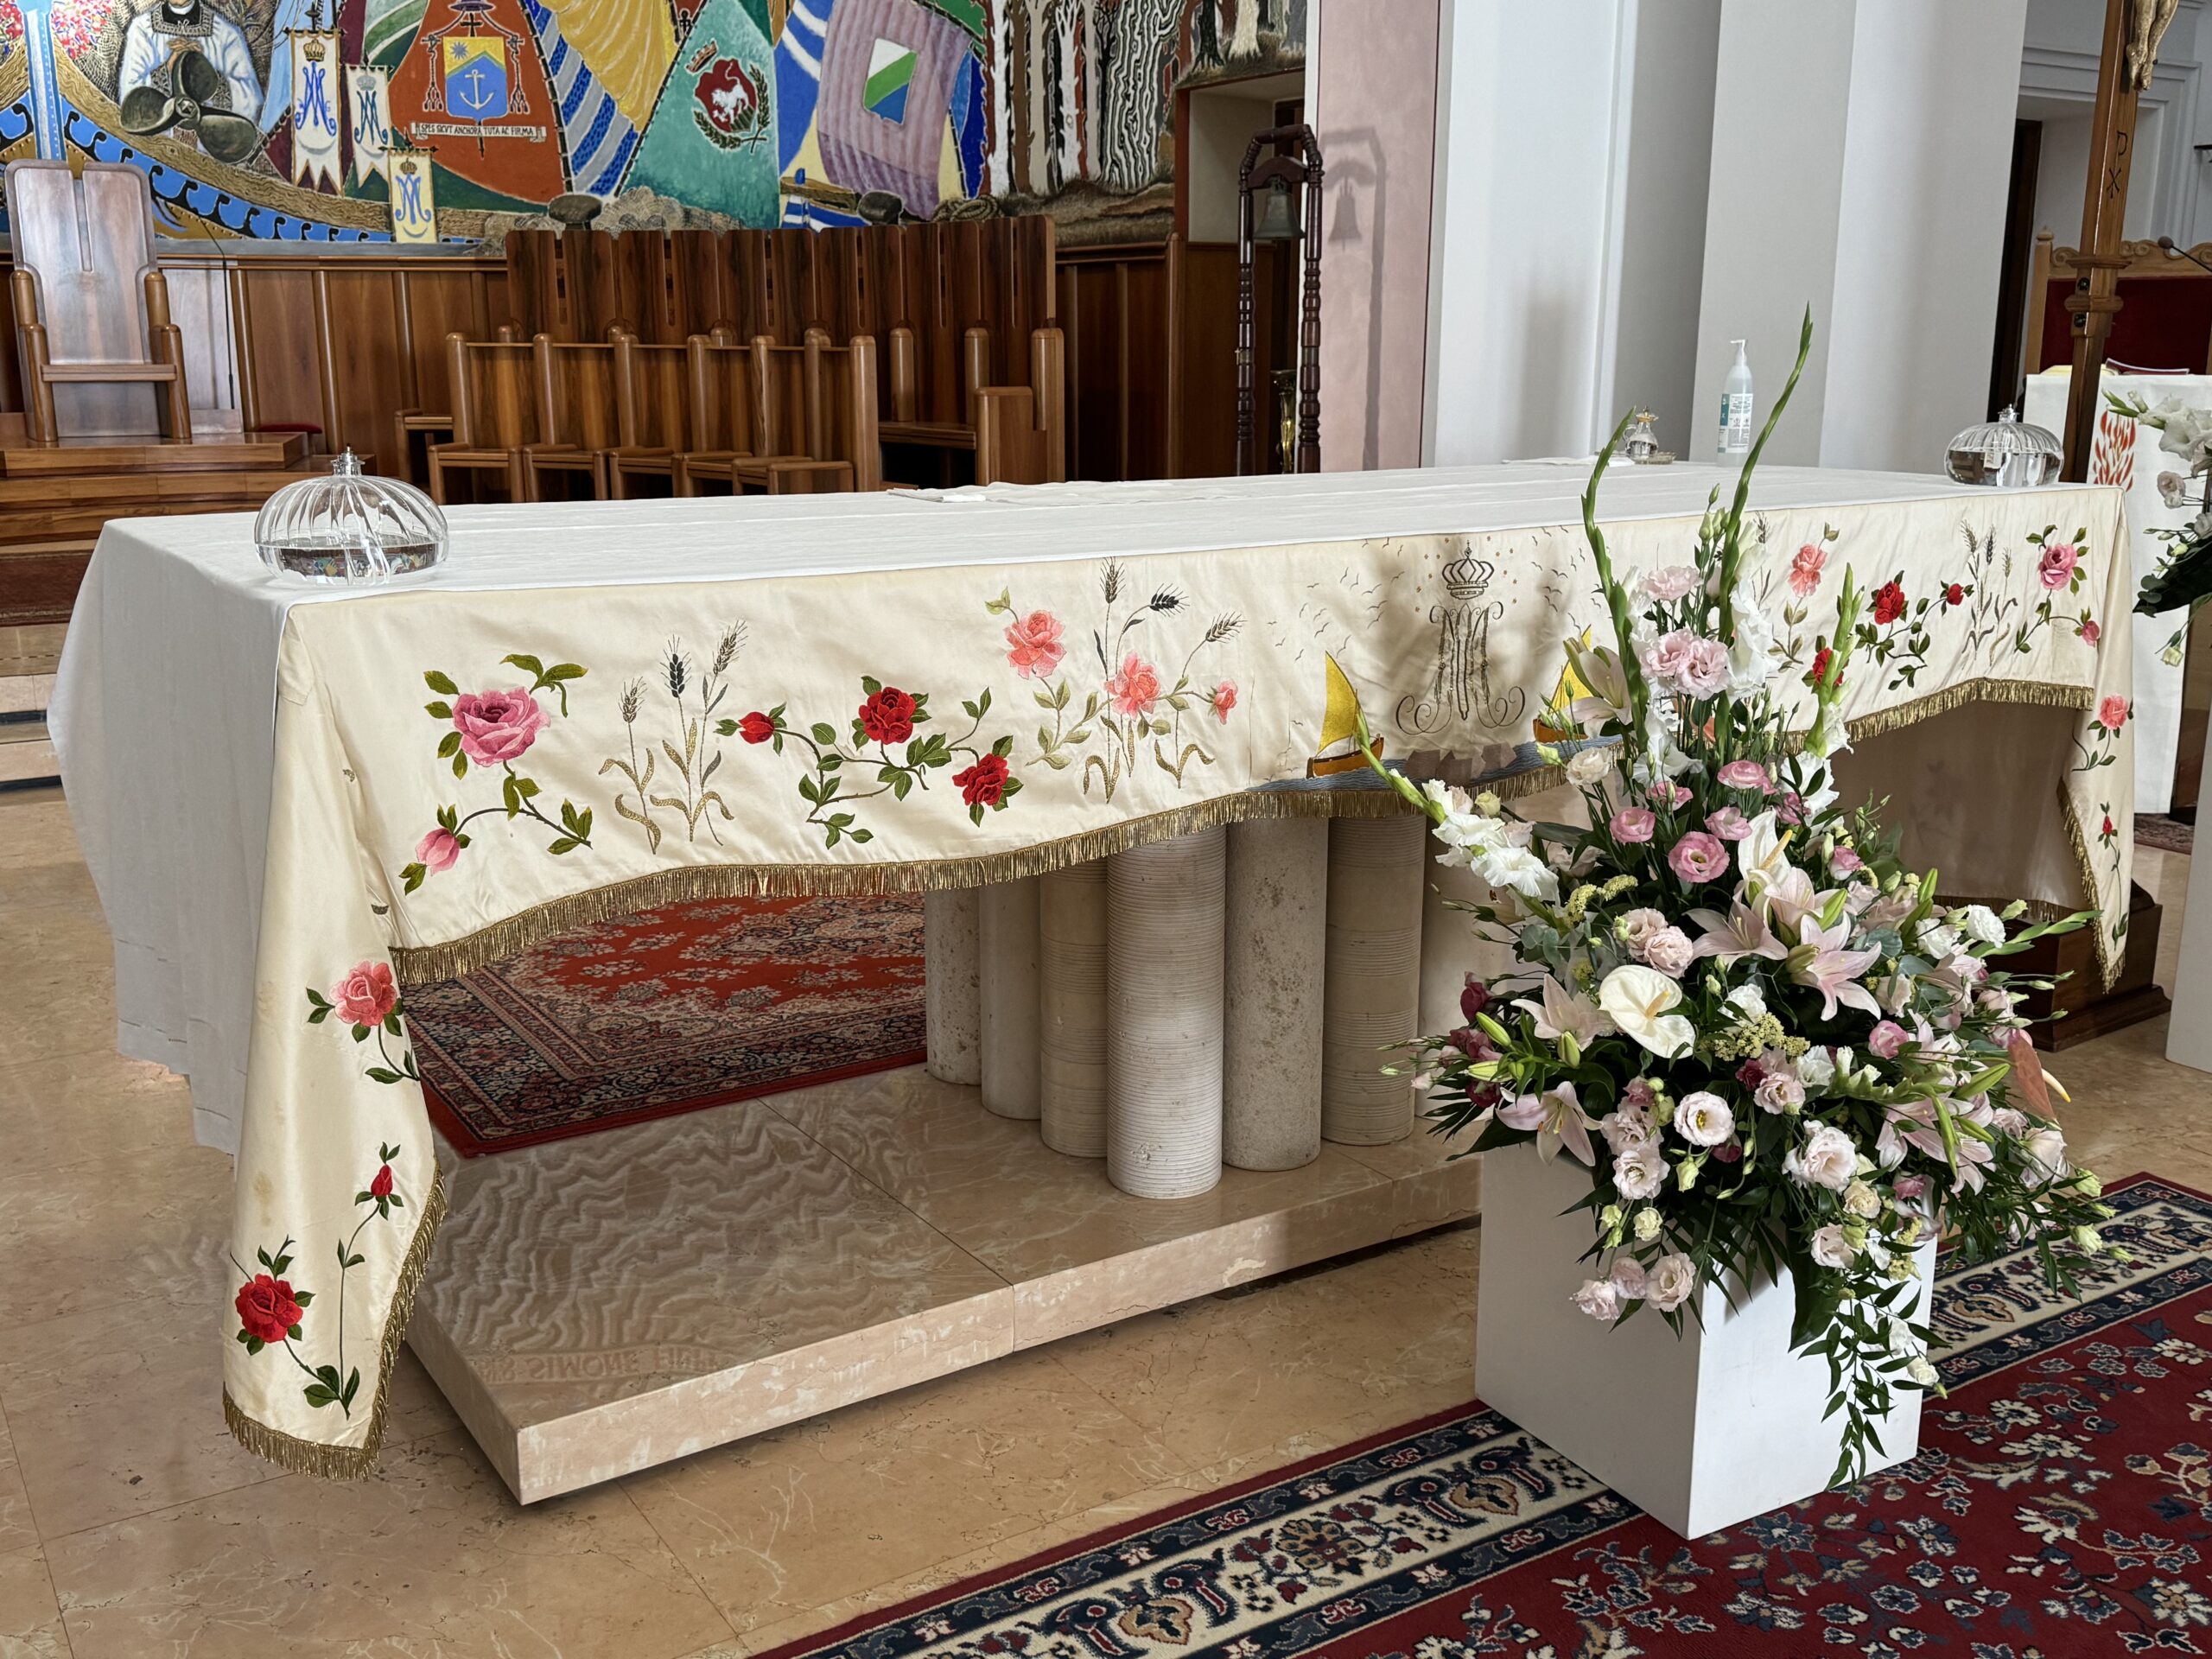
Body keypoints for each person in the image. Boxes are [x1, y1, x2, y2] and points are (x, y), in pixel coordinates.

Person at [118, 0, 263, 126]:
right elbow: (129, 95)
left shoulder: (226, 34)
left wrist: (205, 77)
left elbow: (251, 101)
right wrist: (167, 71)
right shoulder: (142, 29)